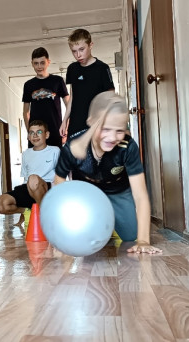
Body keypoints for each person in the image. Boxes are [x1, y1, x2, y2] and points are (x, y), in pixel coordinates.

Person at [53, 92, 161, 254]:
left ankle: (112, 219)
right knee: (86, 238)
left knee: (131, 235)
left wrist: (143, 241)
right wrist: (61, 235)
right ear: (90, 122)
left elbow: (140, 195)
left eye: (119, 131)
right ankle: (101, 223)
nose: (112, 137)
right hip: (88, 195)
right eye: (105, 129)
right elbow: (59, 190)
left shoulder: (128, 148)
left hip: (119, 191)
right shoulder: (71, 148)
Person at [0, 120, 60, 226]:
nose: (35, 135)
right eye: (31, 132)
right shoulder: (26, 154)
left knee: (33, 179)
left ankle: (43, 214)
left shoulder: (55, 151)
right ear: (28, 136)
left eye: (39, 132)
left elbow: (62, 174)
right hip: (28, 186)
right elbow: (25, 177)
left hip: (46, 187)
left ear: (47, 135)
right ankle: (27, 211)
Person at [60, 29, 115, 139]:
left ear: (90, 45)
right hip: (76, 124)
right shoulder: (72, 69)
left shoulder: (102, 68)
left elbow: (110, 97)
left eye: (81, 49)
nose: (78, 55)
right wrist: (65, 120)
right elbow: (72, 97)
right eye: (74, 51)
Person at [22, 47, 69, 147]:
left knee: (55, 161)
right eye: (36, 63)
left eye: (42, 62)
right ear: (32, 64)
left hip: (55, 130)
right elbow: (25, 112)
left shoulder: (58, 81)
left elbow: (69, 105)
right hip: (36, 133)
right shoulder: (28, 85)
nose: (39, 66)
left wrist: (66, 127)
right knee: (36, 162)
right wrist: (30, 132)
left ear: (48, 62)